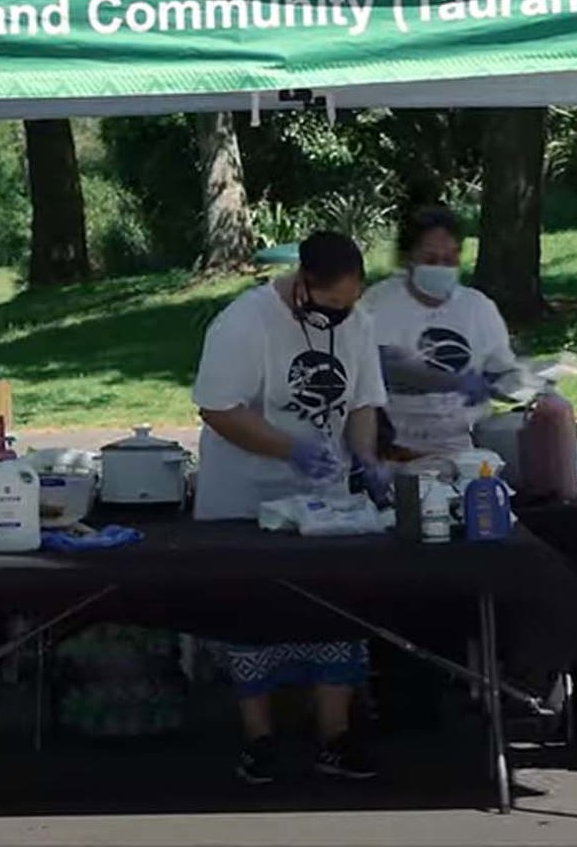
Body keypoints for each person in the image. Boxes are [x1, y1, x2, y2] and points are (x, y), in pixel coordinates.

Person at [191, 230, 387, 784]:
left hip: (324, 498)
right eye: (329, 308)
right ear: (302, 284)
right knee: (252, 611)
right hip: (245, 491)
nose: (339, 319)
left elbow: (365, 400)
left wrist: (366, 457)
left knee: (332, 607)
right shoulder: (244, 323)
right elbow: (219, 409)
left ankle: (335, 736)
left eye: (347, 308)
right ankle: (259, 739)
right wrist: (290, 449)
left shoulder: (360, 324)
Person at [360, 205, 577, 497]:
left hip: (464, 452)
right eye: (430, 259)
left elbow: (502, 370)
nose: (441, 267)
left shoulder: (477, 308)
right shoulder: (378, 305)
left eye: (450, 259)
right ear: (407, 260)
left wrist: (523, 382)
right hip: (397, 454)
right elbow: (378, 365)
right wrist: (446, 380)